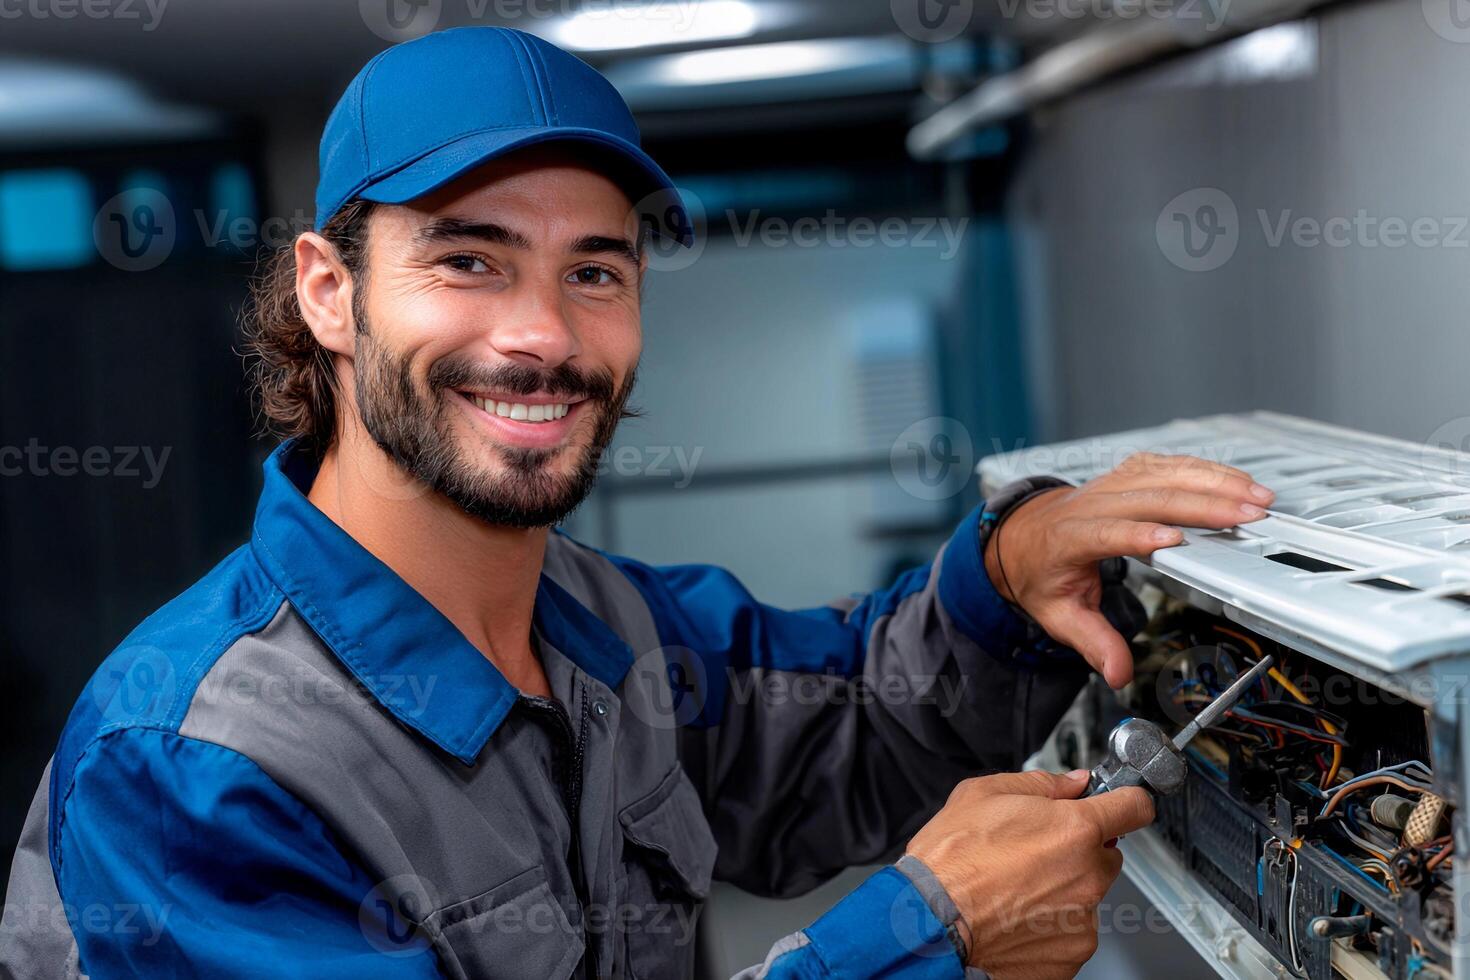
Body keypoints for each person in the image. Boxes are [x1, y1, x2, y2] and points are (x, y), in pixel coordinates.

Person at [0, 27, 1275, 980]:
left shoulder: (600, 627)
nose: (544, 335)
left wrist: (1008, 574)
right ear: (330, 292)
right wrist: (919, 941)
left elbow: (855, 724)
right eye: (467, 258)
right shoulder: (194, 765)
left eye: (593, 270)